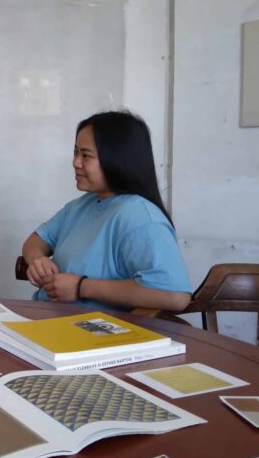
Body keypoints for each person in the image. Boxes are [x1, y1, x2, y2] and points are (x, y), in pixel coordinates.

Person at [22, 110, 191, 312]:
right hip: (46, 317)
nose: (76, 162)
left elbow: (175, 296)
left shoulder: (140, 217)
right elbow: (35, 241)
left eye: (86, 155)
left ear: (118, 159)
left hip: (87, 328)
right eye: (76, 152)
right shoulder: (81, 205)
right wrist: (38, 260)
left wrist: (81, 287)